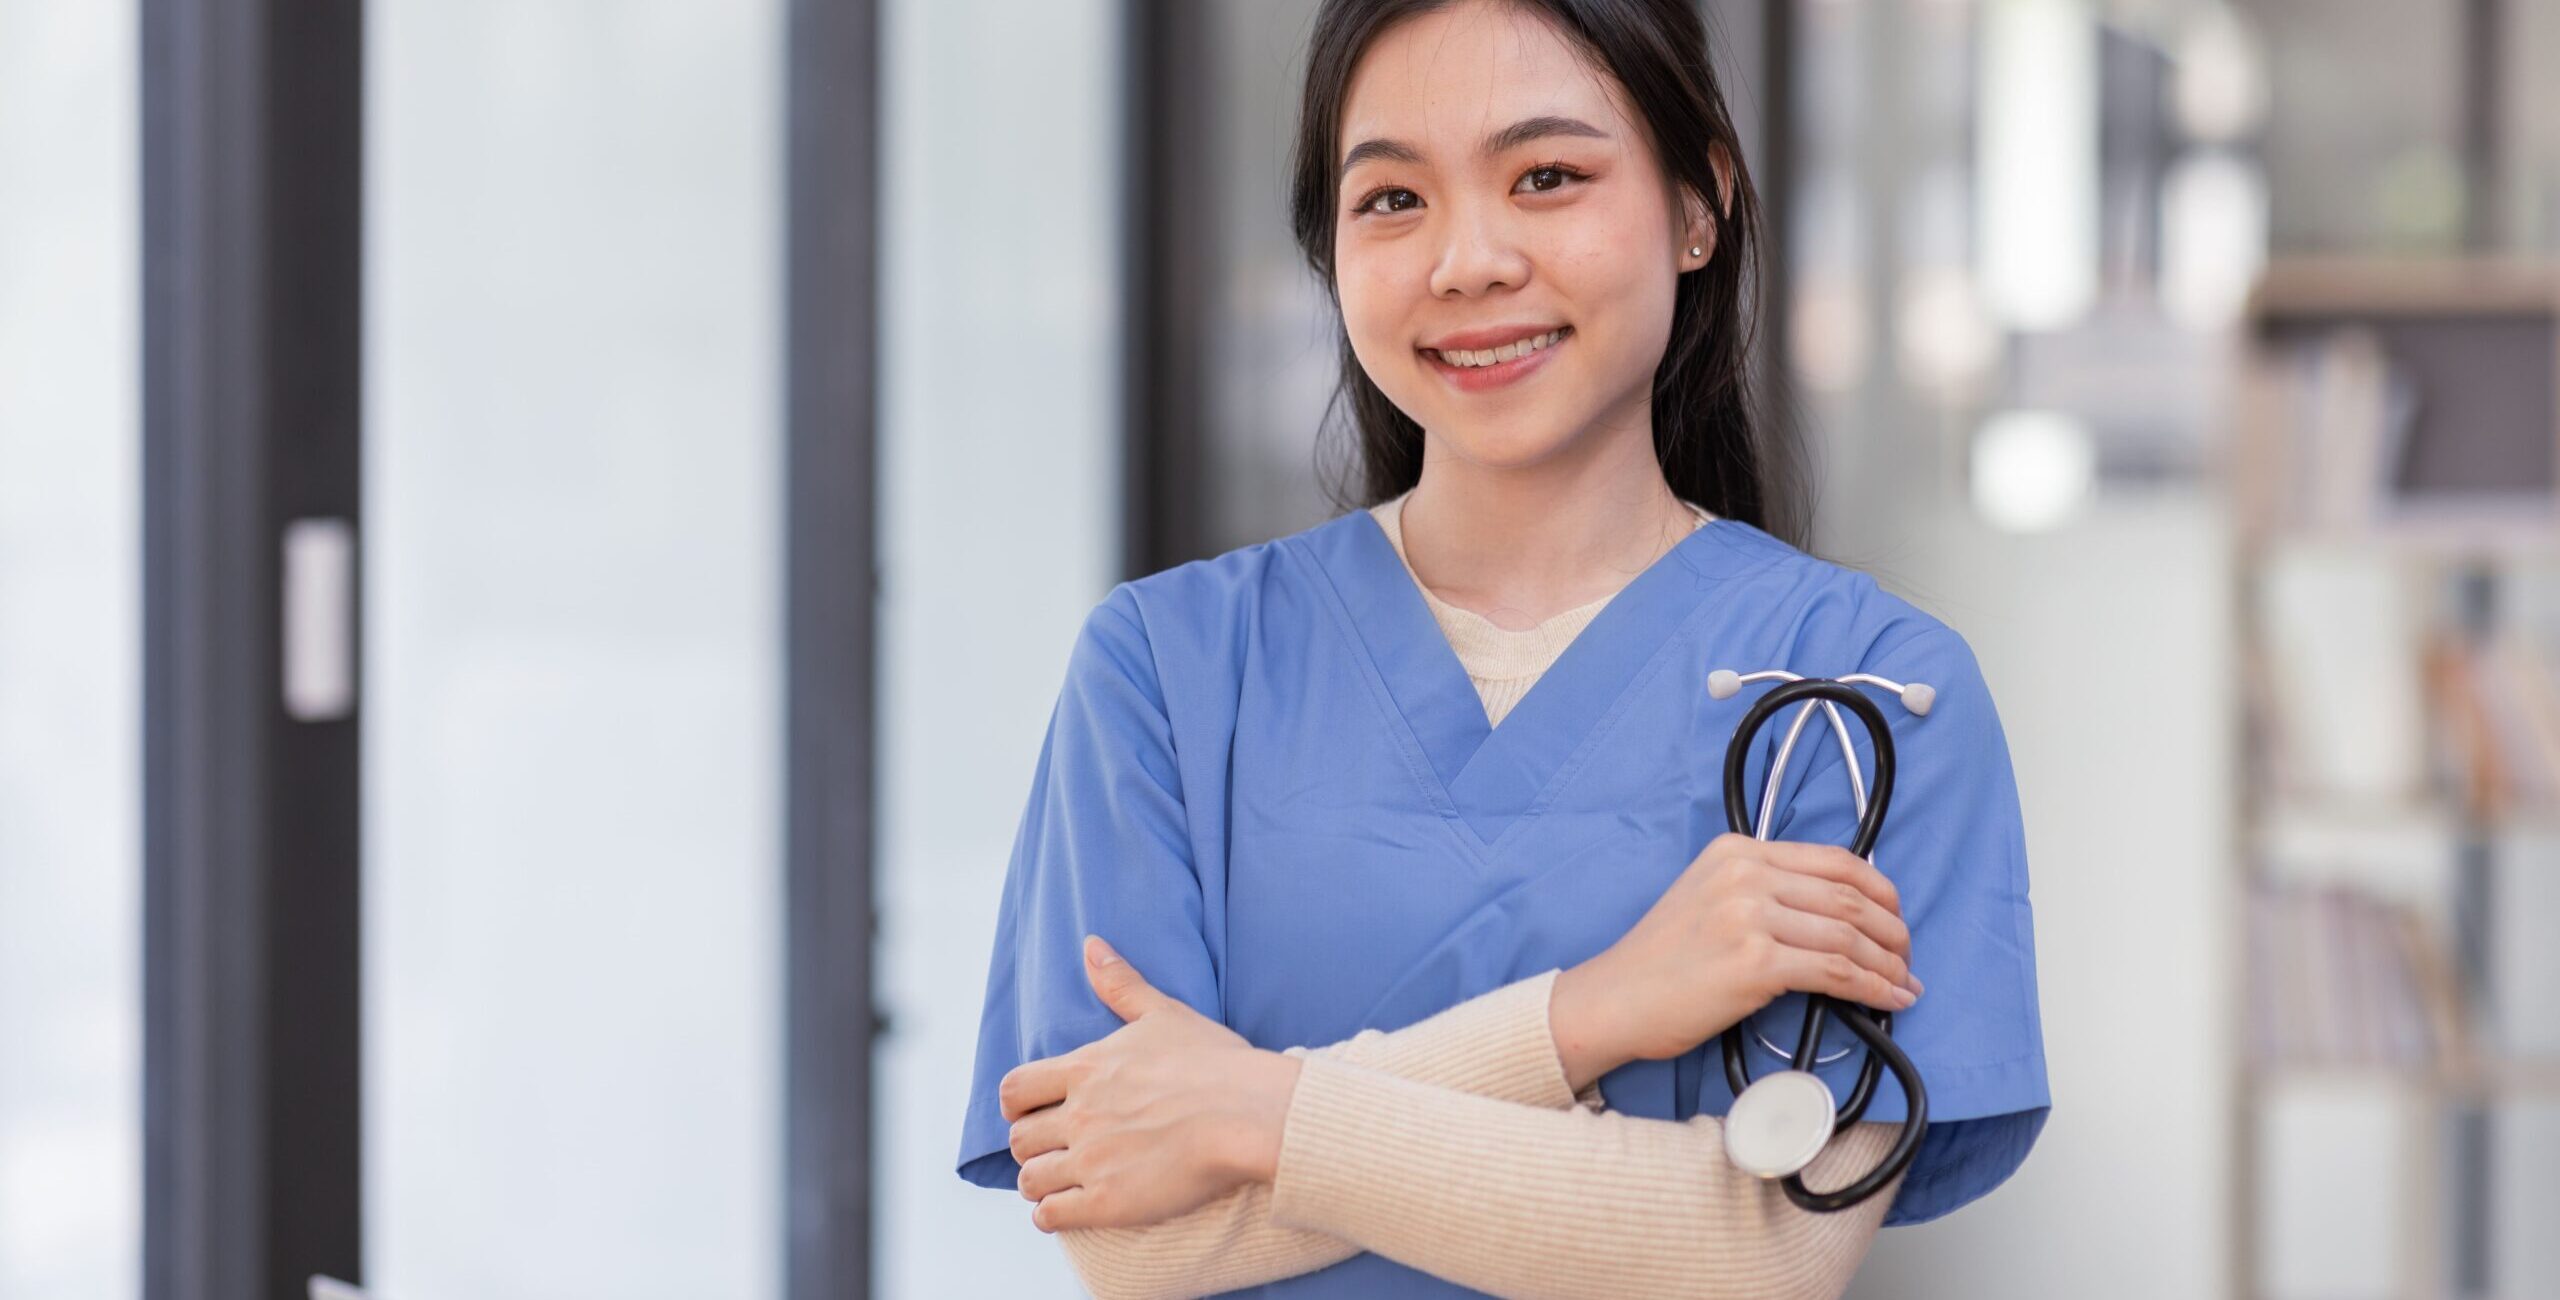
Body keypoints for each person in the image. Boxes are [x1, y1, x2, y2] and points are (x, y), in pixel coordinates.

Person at [955, 0, 2050, 1294]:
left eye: (1547, 177)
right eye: (1392, 200)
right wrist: (1594, 1013)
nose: (1466, 259)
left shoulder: (1860, 693)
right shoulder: (1168, 670)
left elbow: (1764, 1248)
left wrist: (1251, 1111)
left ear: (1699, 204)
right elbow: (1132, 1239)